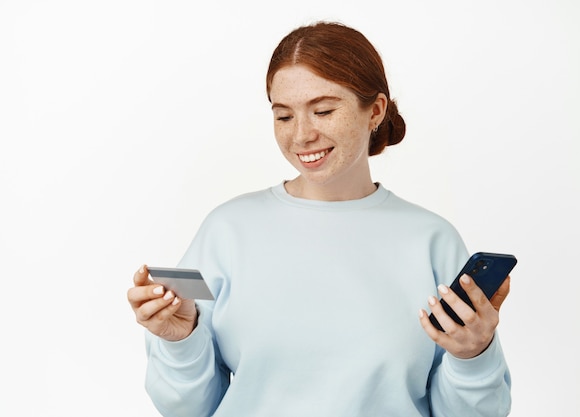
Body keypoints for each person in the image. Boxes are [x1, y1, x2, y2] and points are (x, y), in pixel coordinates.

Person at [127, 21, 512, 417]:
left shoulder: (432, 240)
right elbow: (190, 408)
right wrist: (180, 341)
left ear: (375, 110)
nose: (301, 136)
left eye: (323, 110)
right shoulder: (227, 231)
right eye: (284, 117)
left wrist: (473, 356)